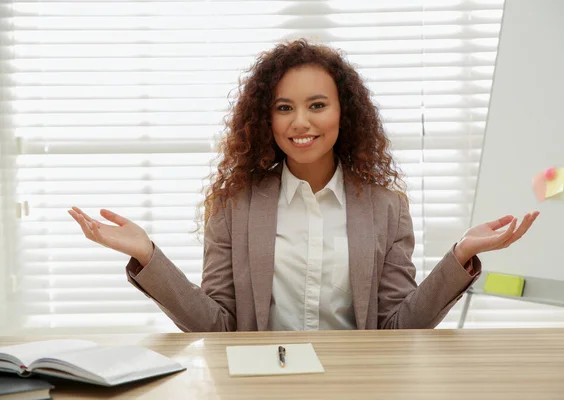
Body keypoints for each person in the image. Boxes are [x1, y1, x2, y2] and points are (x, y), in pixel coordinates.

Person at [68, 39, 539, 332]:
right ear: (265, 118)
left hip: (359, 383)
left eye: (317, 105)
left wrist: (459, 257)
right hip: (261, 383)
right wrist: (149, 256)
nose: (301, 122)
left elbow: (399, 326)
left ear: (343, 113)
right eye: (283, 107)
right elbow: (216, 325)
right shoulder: (234, 205)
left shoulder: (385, 207)